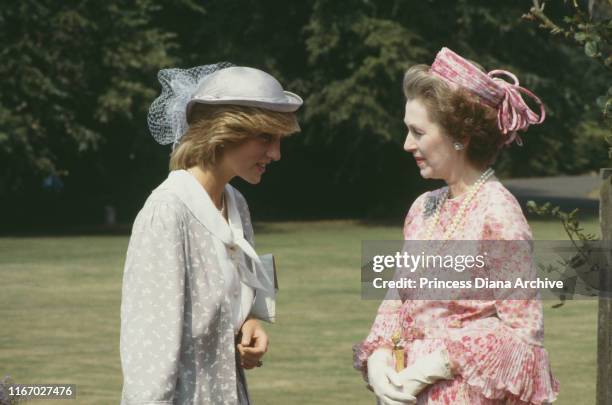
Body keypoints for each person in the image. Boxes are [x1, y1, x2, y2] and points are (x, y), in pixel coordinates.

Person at [353, 48, 560, 404]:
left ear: (459, 134)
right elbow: (397, 301)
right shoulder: (423, 207)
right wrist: (380, 354)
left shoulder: (498, 211)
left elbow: (523, 335)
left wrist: (436, 364)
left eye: (418, 132)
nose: (406, 144)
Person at [120, 64, 302, 405]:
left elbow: (243, 289)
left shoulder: (237, 203)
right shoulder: (167, 212)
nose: (276, 153)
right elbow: (148, 347)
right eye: (266, 137)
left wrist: (249, 322)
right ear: (224, 130)